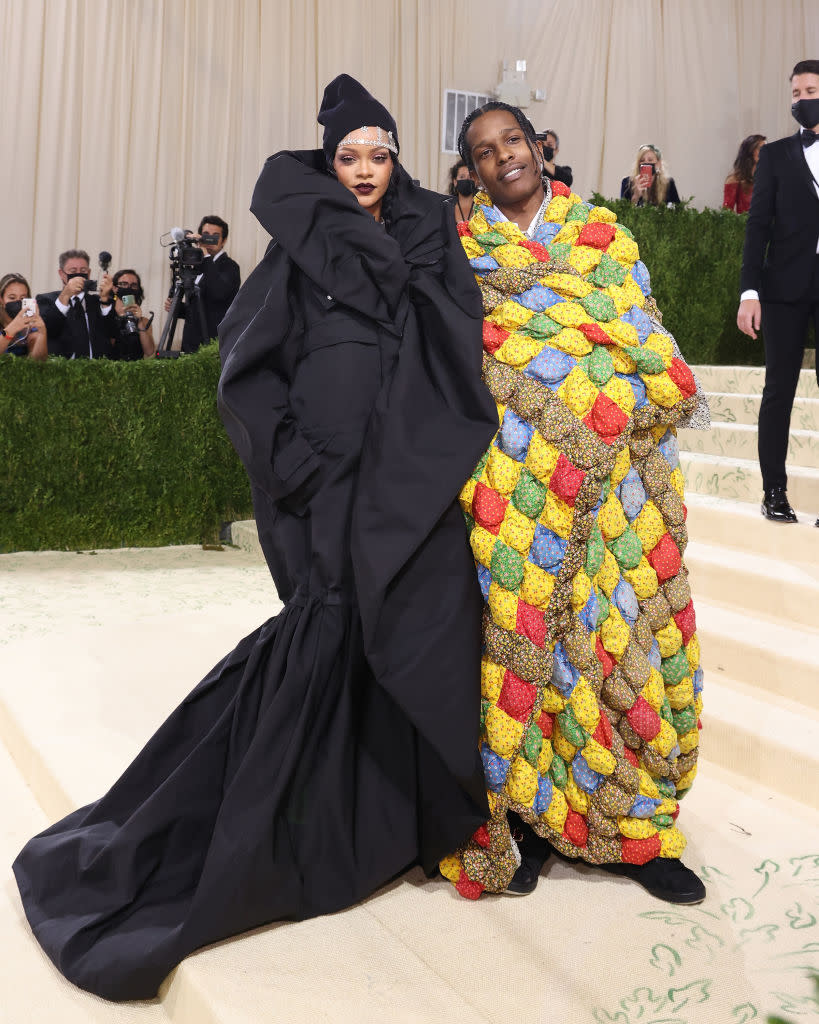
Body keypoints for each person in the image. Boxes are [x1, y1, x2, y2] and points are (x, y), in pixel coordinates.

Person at [13, 73, 497, 1002]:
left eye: (379, 155)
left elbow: (454, 334)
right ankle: (286, 832)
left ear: (398, 160)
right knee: (328, 636)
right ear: (327, 161)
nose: (363, 172)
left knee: (420, 629)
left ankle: (409, 821)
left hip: (413, 480)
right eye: (348, 157)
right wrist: (299, 461)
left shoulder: (431, 234)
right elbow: (246, 364)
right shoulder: (296, 247)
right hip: (329, 489)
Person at [439, 100, 708, 905]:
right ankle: (519, 813)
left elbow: (643, 337)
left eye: (511, 142)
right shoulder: (461, 251)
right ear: (472, 169)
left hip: (617, 485)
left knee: (615, 635)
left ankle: (631, 832)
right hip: (512, 485)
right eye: (483, 152)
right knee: (518, 645)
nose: (502, 159)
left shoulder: (602, 237)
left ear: (538, 146)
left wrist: (594, 403)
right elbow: (462, 356)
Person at [737, 59, 819, 527]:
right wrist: (750, 291)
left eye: (809, 90)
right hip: (783, 287)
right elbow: (757, 227)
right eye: (795, 93)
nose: (800, 100)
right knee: (779, 390)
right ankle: (775, 492)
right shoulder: (777, 154)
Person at [163, 215, 241, 352]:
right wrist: (178, 308)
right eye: (205, 235)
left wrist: (205, 257)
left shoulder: (230, 267)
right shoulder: (196, 267)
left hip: (213, 344)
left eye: (215, 236)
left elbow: (219, 294)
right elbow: (197, 307)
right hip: (190, 344)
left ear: (223, 241)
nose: (208, 240)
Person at [36, 249, 117, 358]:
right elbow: (49, 329)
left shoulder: (98, 302)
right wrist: (65, 295)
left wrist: (105, 299)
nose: (78, 275)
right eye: (73, 271)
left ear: (88, 273)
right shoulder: (46, 300)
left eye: (83, 270)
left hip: (97, 369)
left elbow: (112, 331)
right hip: (62, 370)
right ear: (61, 274)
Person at [0, 273, 48, 360]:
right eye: (12, 297)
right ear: (1, 300)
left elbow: (38, 362)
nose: (17, 301)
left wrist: (42, 333)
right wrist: (12, 328)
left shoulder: (30, 327)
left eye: (22, 298)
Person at [110, 268, 155, 359]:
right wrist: (120, 320)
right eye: (123, 284)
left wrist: (139, 322)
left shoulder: (144, 321)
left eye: (133, 285)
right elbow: (105, 347)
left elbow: (149, 351)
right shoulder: (107, 316)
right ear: (114, 288)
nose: (128, 288)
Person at [723, 134, 766, 214]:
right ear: (750, 151)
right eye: (761, 148)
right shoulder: (734, 180)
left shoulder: (769, 177)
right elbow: (726, 214)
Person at [448, 157, 477, 224]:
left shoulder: (483, 208)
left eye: (470, 177)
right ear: (455, 182)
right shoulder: (446, 207)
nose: (466, 179)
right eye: (462, 177)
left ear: (475, 181)